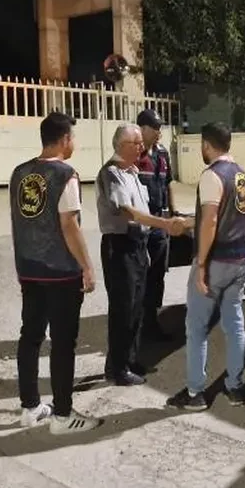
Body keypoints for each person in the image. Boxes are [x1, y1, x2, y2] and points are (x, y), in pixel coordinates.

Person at [9, 111, 102, 434]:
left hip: (29, 269)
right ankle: (63, 415)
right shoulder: (66, 174)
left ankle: (30, 406)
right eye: (73, 137)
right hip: (60, 272)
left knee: (30, 336)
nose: (73, 143)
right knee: (63, 343)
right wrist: (87, 267)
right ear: (64, 139)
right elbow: (69, 225)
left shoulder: (20, 173)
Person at [166, 122, 245, 411]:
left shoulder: (211, 176)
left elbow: (212, 221)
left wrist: (201, 265)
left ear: (206, 145)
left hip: (215, 263)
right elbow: (225, 217)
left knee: (197, 329)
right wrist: (190, 221)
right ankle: (235, 388)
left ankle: (195, 394)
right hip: (240, 261)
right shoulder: (242, 175)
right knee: (235, 325)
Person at [95, 123, 183, 386]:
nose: (141, 147)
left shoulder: (131, 172)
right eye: (136, 143)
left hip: (136, 245)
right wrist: (164, 224)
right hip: (120, 245)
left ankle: (130, 359)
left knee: (135, 307)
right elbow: (129, 212)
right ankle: (116, 368)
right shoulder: (112, 173)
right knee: (122, 310)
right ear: (123, 145)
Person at [135, 108, 178, 340]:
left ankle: (152, 322)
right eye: (156, 127)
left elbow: (168, 183)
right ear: (142, 129)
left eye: (161, 127)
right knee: (140, 275)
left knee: (157, 276)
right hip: (142, 226)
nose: (160, 132)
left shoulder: (161, 154)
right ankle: (138, 325)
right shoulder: (134, 155)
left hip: (160, 226)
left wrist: (173, 213)